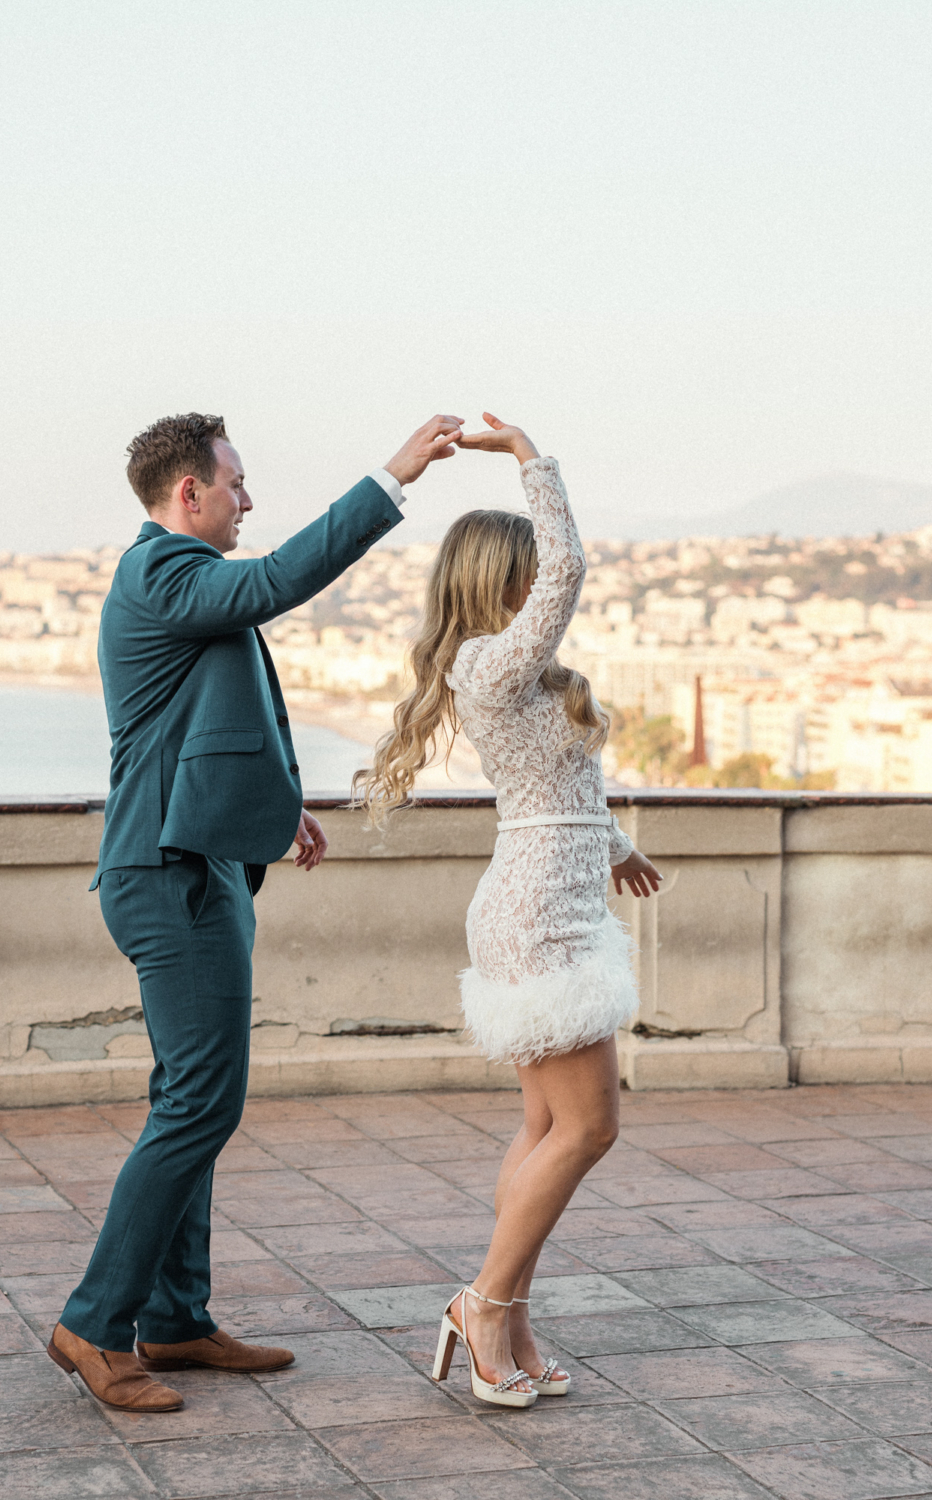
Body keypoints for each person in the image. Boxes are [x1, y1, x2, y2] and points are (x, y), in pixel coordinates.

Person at [50, 409, 465, 1412]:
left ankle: (178, 1320)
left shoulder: (182, 589)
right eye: (234, 483)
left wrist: (273, 815)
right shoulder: (161, 573)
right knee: (201, 1104)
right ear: (186, 494)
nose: (247, 499)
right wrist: (391, 478)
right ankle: (94, 1324)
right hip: (167, 875)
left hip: (200, 863)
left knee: (187, 1100)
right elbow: (280, 581)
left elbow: (208, 721)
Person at [354, 414, 662, 1408]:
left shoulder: (503, 673)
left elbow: (550, 792)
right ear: (507, 578)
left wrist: (616, 847)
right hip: (534, 913)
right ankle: (480, 1304)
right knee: (588, 1128)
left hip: (547, 892)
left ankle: (510, 1316)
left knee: (545, 1124)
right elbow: (570, 569)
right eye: (529, 571)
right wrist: (534, 464)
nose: (543, 586)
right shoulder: (490, 662)